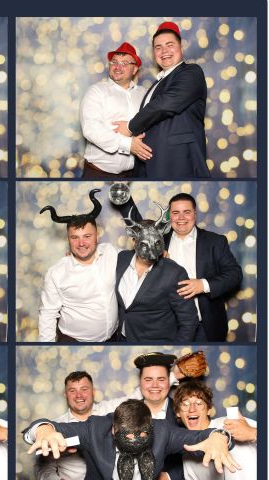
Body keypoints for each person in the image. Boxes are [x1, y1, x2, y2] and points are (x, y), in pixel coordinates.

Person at [24, 399, 239, 480]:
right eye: (127, 436)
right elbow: (46, 426)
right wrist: (44, 431)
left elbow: (201, 436)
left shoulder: (162, 432)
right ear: (114, 429)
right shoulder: (95, 428)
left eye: (142, 435)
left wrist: (220, 437)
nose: (135, 440)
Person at [34, 354, 189, 480]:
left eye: (84, 389)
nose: (79, 395)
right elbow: (43, 467)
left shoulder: (111, 410)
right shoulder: (56, 428)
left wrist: (173, 375)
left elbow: (144, 393)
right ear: (65, 394)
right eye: (72, 390)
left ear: (93, 392)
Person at [118, 192, 243, 341]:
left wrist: (203, 285)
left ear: (195, 214)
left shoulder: (214, 241)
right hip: (168, 328)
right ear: (169, 216)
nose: (181, 218)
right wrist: (122, 193)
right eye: (176, 213)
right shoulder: (158, 239)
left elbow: (235, 274)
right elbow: (140, 227)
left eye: (187, 212)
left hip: (205, 326)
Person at [114, 21, 210, 179]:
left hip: (178, 163)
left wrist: (130, 127)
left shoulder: (192, 72)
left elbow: (166, 104)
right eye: (158, 47)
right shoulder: (156, 83)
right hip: (148, 164)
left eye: (170, 45)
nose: (164, 51)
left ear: (181, 48)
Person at [148, 380, 256, 480]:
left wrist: (253, 433)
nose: (192, 409)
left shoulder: (230, 423)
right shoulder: (187, 454)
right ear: (178, 413)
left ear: (209, 410)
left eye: (199, 403)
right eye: (185, 404)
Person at [38, 190, 118, 342]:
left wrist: (160, 253)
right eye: (75, 237)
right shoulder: (57, 273)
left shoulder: (111, 252)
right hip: (73, 341)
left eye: (87, 236)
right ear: (68, 239)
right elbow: (47, 314)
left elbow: (137, 260)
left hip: (115, 338)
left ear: (97, 236)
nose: (81, 243)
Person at [115, 204, 199, 342]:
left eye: (156, 243)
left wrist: (177, 350)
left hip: (155, 343)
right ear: (134, 240)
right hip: (122, 339)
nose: (152, 252)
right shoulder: (121, 259)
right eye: (144, 244)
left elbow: (189, 321)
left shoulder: (174, 273)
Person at [80, 42, 150, 179]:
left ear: (135, 69)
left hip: (134, 175)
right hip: (98, 173)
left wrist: (134, 130)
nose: (118, 67)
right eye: (114, 62)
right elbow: (91, 128)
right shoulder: (96, 91)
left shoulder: (145, 94)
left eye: (124, 63)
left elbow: (154, 123)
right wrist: (127, 144)